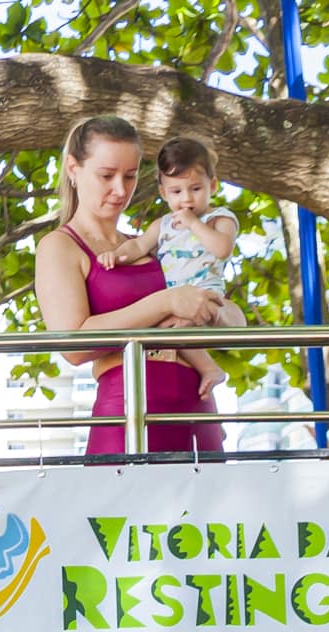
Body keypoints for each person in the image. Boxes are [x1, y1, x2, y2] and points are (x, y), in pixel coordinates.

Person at [38, 115, 227, 458]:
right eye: (107, 176)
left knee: (214, 512)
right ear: (73, 168)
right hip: (127, 413)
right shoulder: (60, 246)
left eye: (130, 175)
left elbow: (230, 316)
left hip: (198, 405)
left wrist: (212, 311)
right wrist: (167, 302)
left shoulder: (156, 241)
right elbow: (74, 345)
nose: (121, 190)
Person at [106, 136, 247, 396]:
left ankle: (208, 369)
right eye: (177, 192)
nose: (187, 200)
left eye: (196, 189)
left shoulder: (220, 218)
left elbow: (222, 249)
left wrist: (195, 224)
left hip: (208, 294)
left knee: (200, 322)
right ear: (163, 193)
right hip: (176, 302)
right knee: (167, 330)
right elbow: (138, 246)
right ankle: (209, 368)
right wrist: (116, 255)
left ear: (212, 185)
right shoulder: (163, 225)